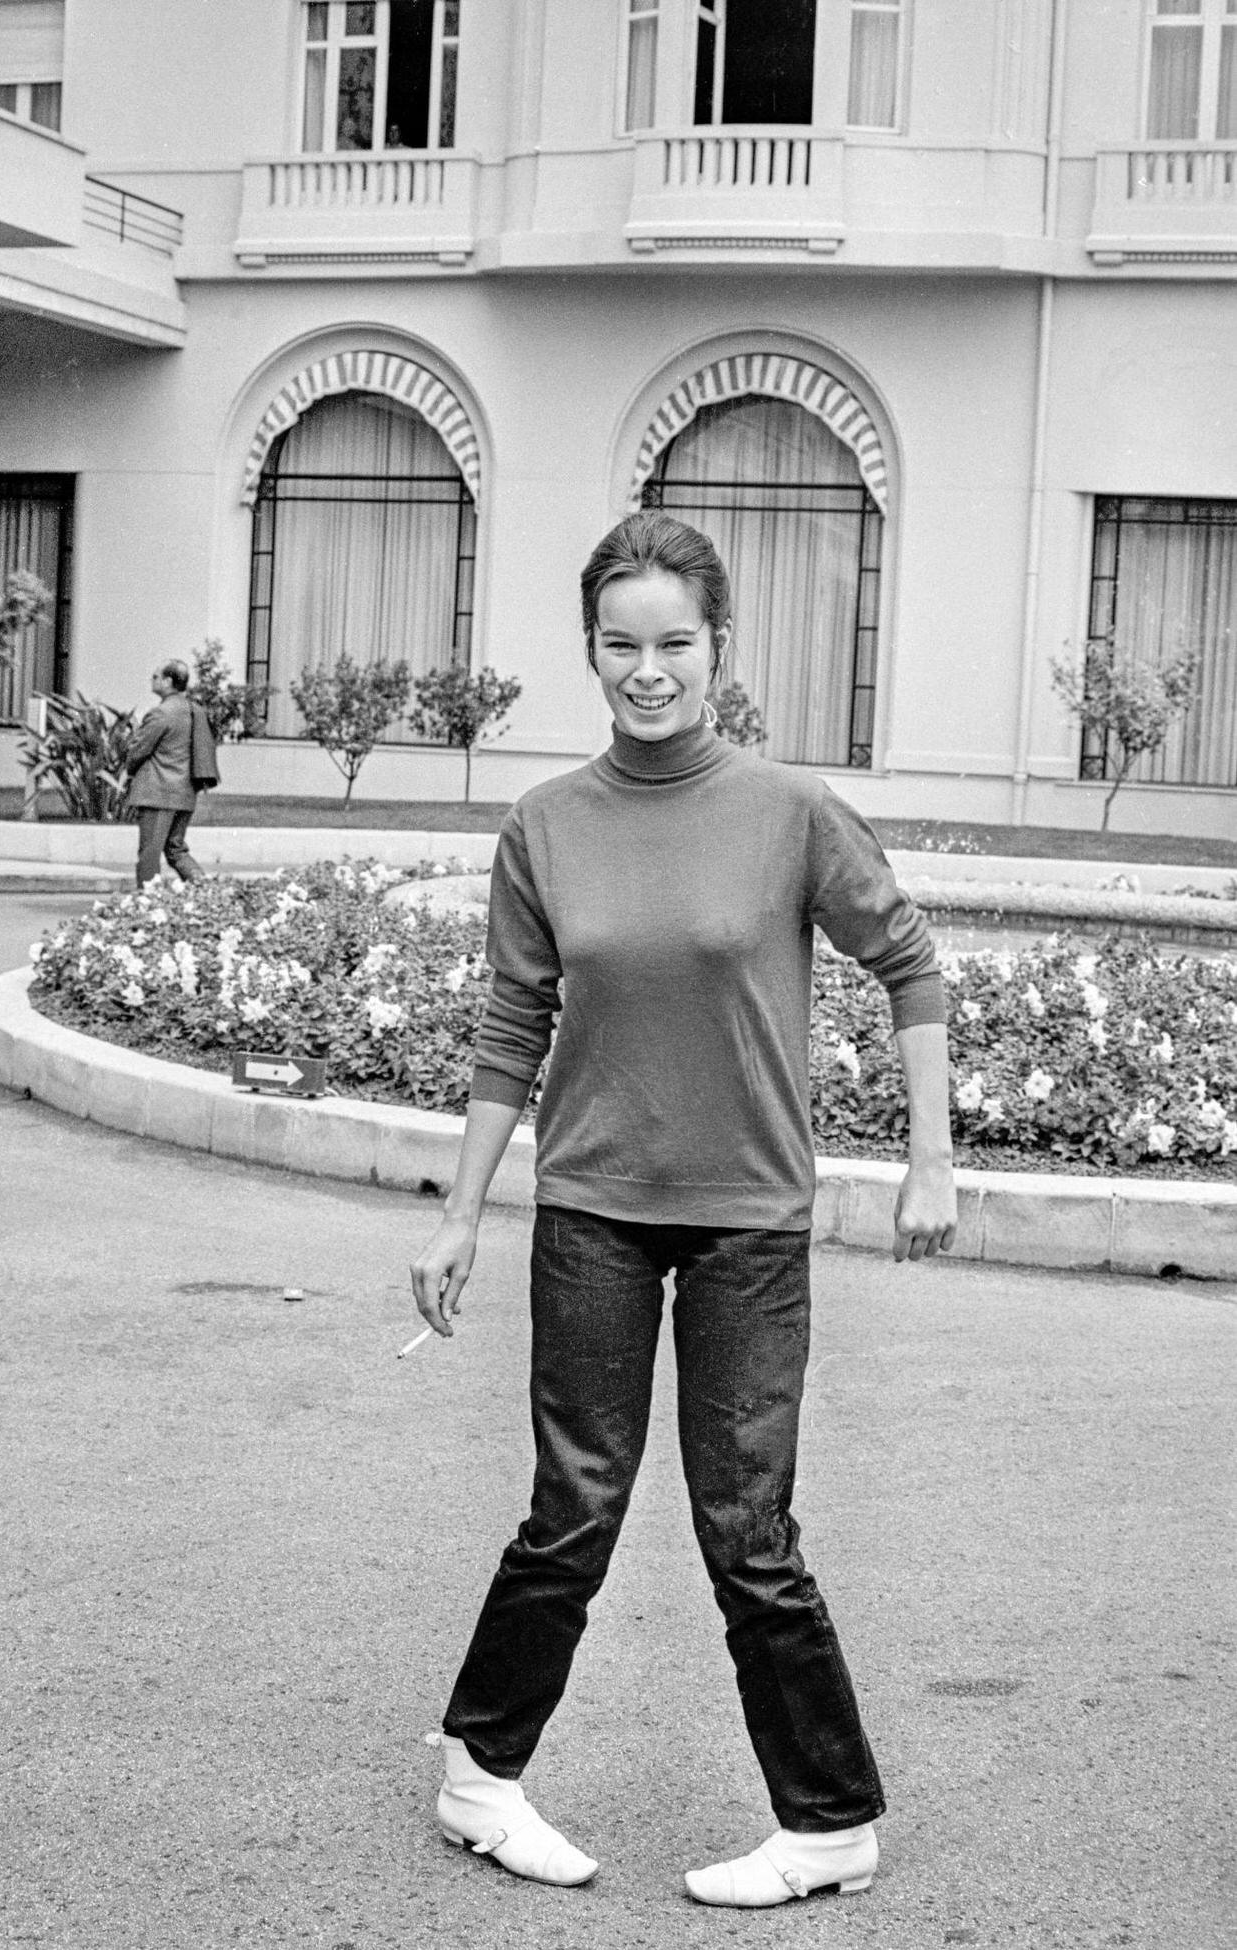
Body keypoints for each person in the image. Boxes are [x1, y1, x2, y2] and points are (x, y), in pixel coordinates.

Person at [410, 511, 957, 1908]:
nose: (646, 670)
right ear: (591, 650)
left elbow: (911, 965)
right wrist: (461, 1213)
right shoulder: (546, 825)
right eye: (620, 644)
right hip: (591, 1209)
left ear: (718, 646)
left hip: (749, 1219)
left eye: (673, 643)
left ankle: (827, 1824)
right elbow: (512, 1023)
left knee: (747, 1531)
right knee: (572, 1508)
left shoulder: (789, 811)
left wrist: (931, 1157)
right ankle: (479, 1775)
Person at [124, 660, 215, 888]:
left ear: (167, 681)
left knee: (149, 853)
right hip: (185, 794)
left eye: (156, 677)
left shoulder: (161, 713)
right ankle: (205, 890)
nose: (152, 680)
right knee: (176, 849)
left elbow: (138, 751)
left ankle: (148, 900)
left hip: (158, 793)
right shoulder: (194, 711)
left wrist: (132, 746)